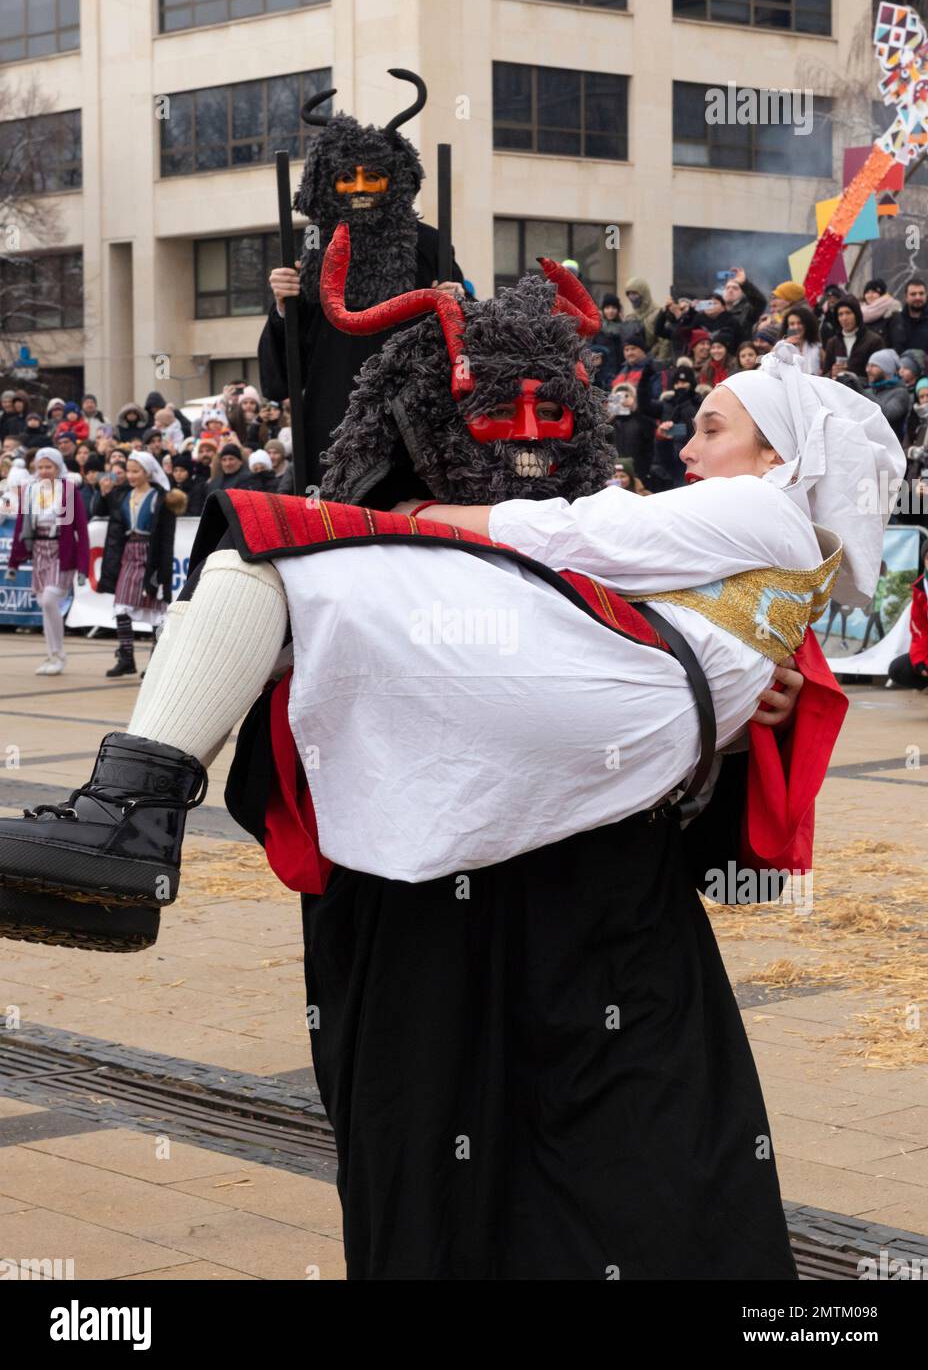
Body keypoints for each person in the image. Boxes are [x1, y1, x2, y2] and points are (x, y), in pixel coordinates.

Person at [0, 288, 903, 1281]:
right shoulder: (362, 558)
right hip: (418, 945)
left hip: (610, 946)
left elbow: (719, 764)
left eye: (548, 414)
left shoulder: (645, 533)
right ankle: (129, 811)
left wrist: (735, 738)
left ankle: (125, 811)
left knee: (658, 1202)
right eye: (488, 414)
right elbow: (286, 762)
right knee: (439, 1211)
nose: (521, 436)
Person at [258, 69, 465, 493]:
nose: (360, 187)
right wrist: (284, 307)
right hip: (333, 414)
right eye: (347, 178)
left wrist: (458, 302)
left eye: (373, 177)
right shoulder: (313, 245)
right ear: (329, 183)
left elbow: (467, 339)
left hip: (413, 413)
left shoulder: (428, 244)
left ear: (395, 179)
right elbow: (286, 369)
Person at [97, 451, 186, 677]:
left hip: (151, 555)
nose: (131, 475)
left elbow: (166, 538)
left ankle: (155, 662)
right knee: (121, 605)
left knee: (155, 608)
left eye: (135, 471)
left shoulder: (160, 498)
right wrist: (104, 495)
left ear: (147, 472)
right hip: (129, 554)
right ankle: (126, 657)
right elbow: (103, 515)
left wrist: (162, 571)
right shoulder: (123, 495)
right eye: (129, 471)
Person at [4, 447, 89, 675]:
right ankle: (53, 655)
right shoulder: (30, 491)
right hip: (39, 551)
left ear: (58, 467)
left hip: (61, 552)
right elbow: (21, 527)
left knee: (50, 600)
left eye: (48, 466)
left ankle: (59, 654)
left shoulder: (68, 491)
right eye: (40, 467)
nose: (43, 471)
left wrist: (83, 565)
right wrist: (13, 563)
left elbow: (81, 529)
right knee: (44, 603)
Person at [820, 295, 884, 379]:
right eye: (840, 314)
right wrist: (832, 373)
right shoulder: (832, 343)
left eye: (848, 313)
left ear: (857, 315)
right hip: (839, 389)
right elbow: (824, 376)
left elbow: (879, 373)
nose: (844, 318)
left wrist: (850, 372)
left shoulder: (874, 341)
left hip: (863, 390)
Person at [606, 380, 655, 487]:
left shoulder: (642, 421)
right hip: (613, 474)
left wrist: (644, 472)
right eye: (618, 396)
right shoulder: (608, 424)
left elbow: (650, 448)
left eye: (626, 396)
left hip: (638, 474)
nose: (622, 399)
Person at [864, 347, 912, 440]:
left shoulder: (900, 393)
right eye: (868, 365)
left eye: (874, 366)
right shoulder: (869, 391)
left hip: (890, 450)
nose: (868, 370)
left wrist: (861, 392)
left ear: (887, 369)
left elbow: (888, 414)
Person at [623, 276, 672, 362]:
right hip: (633, 364)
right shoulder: (630, 317)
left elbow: (664, 342)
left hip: (653, 361)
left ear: (644, 294)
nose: (632, 297)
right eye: (629, 294)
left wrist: (658, 361)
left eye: (635, 293)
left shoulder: (658, 313)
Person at [721, 267, 766, 341]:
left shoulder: (747, 310)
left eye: (735, 288)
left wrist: (744, 283)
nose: (730, 290)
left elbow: (760, 302)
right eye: (727, 288)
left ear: (743, 293)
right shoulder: (716, 310)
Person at [888, 277, 928, 355]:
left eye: (921, 293)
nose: (918, 297)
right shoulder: (895, 321)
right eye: (913, 294)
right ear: (906, 297)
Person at [780, 305, 821, 375]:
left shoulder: (816, 346)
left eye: (800, 323)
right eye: (792, 324)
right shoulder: (781, 345)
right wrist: (785, 345)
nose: (796, 327)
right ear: (787, 327)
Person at [860, 277, 902, 345]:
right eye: (867, 292)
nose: (870, 296)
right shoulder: (860, 313)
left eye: (874, 292)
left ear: (882, 294)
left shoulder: (892, 313)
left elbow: (898, 342)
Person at [170, 452, 208, 518]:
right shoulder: (171, 488)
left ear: (188, 472)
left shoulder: (197, 489)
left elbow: (195, 512)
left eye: (182, 470)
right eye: (175, 470)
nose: (178, 474)